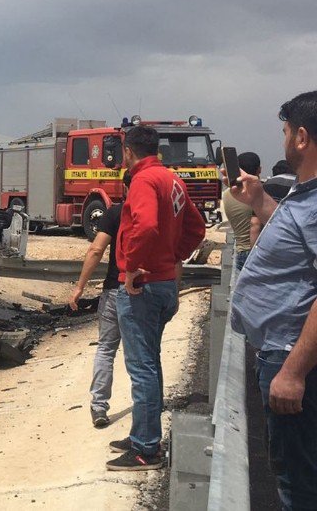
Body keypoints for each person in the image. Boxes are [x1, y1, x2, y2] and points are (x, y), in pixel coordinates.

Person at [229, 90, 317, 509]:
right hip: (281, 354)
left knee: (297, 483)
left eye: (284, 132)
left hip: (292, 359)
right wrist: (260, 200)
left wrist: (294, 372)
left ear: (301, 137)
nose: (281, 140)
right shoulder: (304, 193)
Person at [105, 125, 206, 471]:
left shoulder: (144, 181)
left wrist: (132, 266)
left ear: (129, 152)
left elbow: (145, 227)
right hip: (162, 284)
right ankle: (142, 434)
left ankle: (146, 449)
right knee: (151, 361)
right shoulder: (172, 179)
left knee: (142, 366)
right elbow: (197, 227)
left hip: (142, 287)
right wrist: (172, 257)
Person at [69, 172, 131, 429]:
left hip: (115, 290)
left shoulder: (115, 213)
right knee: (142, 354)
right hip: (144, 290)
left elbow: (96, 250)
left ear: (125, 186)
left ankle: (99, 406)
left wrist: (79, 287)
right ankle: (149, 407)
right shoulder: (155, 212)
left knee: (106, 348)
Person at [221, 151, 261, 272]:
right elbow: (256, 223)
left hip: (239, 250)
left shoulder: (227, 194)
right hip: (254, 251)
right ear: (259, 169)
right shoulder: (257, 193)